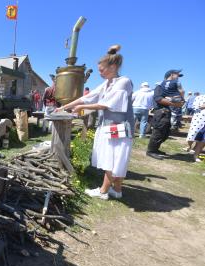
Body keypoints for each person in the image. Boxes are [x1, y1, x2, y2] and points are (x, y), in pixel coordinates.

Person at [56, 44, 134, 200]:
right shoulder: (108, 83)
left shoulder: (123, 82)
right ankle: (117, 191)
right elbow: (86, 97)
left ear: (113, 66)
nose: (100, 73)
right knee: (116, 160)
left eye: (102, 70)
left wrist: (82, 107)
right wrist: (64, 106)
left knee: (112, 159)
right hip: (110, 125)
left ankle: (103, 191)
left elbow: (107, 104)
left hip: (119, 126)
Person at [146, 70, 185, 160]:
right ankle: (151, 151)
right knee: (158, 132)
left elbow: (179, 97)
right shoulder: (160, 85)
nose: (178, 77)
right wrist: (174, 104)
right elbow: (158, 99)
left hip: (167, 111)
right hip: (160, 112)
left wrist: (177, 100)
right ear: (171, 75)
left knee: (165, 133)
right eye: (177, 75)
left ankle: (155, 149)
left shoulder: (172, 87)